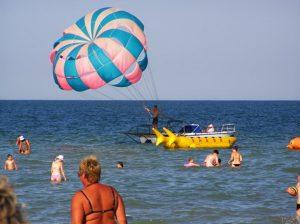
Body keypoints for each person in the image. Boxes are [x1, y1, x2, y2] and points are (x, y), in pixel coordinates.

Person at [71, 155, 127, 224]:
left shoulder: (80, 197)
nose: (78, 176)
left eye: (79, 173)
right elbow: (123, 221)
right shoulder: (113, 192)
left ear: (84, 175)